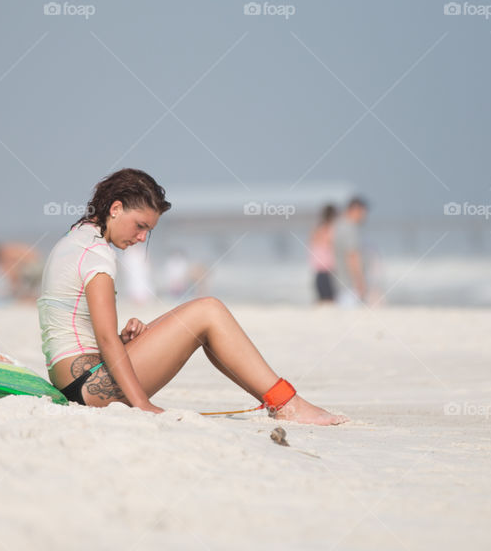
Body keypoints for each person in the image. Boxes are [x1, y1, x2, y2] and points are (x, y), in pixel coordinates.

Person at [37, 168, 348, 425]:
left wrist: (126, 339)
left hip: (77, 381)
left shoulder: (74, 239)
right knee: (208, 311)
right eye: (141, 226)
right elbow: (104, 341)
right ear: (115, 208)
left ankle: (280, 402)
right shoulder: (97, 255)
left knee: (202, 321)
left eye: (149, 230)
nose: (143, 237)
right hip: (90, 387)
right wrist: (143, 406)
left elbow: (81, 333)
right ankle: (287, 404)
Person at [333, 197, 369, 307]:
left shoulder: (338, 225)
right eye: (363, 213)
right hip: (349, 285)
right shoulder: (349, 228)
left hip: (341, 282)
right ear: (355, 209)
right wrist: (360, 282)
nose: (364, 217)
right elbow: (352, 256)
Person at [309, 204, 337, 304]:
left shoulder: (316, 230)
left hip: (318, 271)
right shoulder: (330, 230)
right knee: (330, 300)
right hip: (328, 270)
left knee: (321, 299)